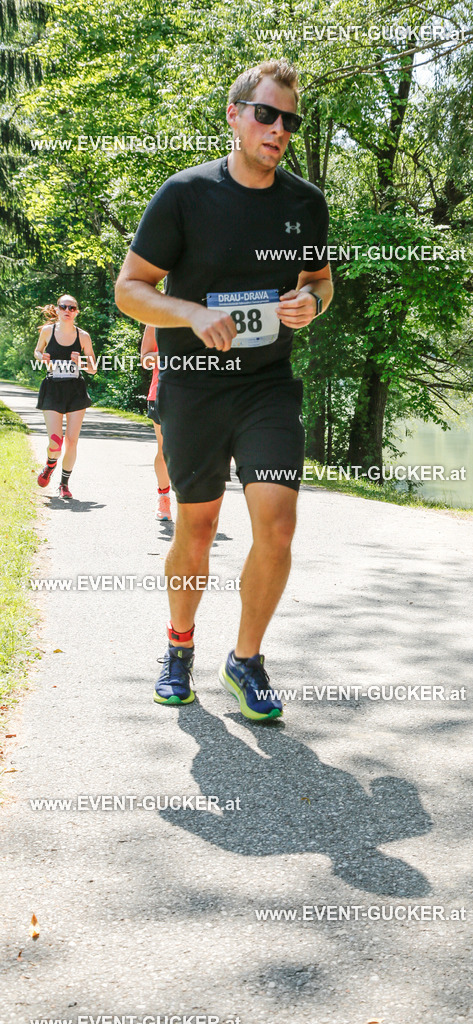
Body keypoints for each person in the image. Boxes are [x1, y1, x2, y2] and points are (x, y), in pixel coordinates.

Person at [115, 59, 332, 715]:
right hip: (194, 384)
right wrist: (190, 313)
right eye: (265, 114)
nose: (278, 129)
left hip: (265, 384)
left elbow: (319, 282)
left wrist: (310, 306)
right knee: (199, 524)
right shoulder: (184, 194)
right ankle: (178, 648)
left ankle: (245, 661)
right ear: (235, 115)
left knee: (277, 522)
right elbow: (130, 289)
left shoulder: (304, 203)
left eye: (288, 120)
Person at [34, 295, 96, 498]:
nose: (67, 310)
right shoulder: (47, 332)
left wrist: (82, 362)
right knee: (55, 441)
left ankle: (64, 484)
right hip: (52, 388)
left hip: (75, 390)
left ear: (76, 311)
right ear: (58, 310)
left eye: (72, 307)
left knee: (71, 440)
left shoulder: (83, 336)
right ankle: (51, 464)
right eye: (63, 307)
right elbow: (37, 351)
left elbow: (93, 369)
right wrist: (40, 356)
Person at [140, 324, 173, 521]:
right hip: (161, 392)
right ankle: (164, 497)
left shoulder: (198, 312)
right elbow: (145, 359)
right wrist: (167, 357)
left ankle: (192, 502)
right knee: (164, 450)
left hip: (195, 393)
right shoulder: (154, 320)